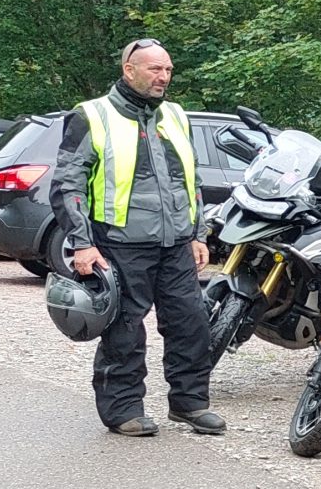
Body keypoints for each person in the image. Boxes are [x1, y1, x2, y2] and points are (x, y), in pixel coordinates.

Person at [51, 39, 221, 437]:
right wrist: (83, 243)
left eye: (167, 70)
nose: (163, 77)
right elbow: (67, 186)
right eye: (154, 70)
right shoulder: (92, 116)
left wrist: (198, 234)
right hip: (119, 244)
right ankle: (123, 409)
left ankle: (190, 404)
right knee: (125, 328)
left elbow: (190, 180)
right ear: (129, 70)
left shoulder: (175, 115)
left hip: (176, 243)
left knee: (192, 324)